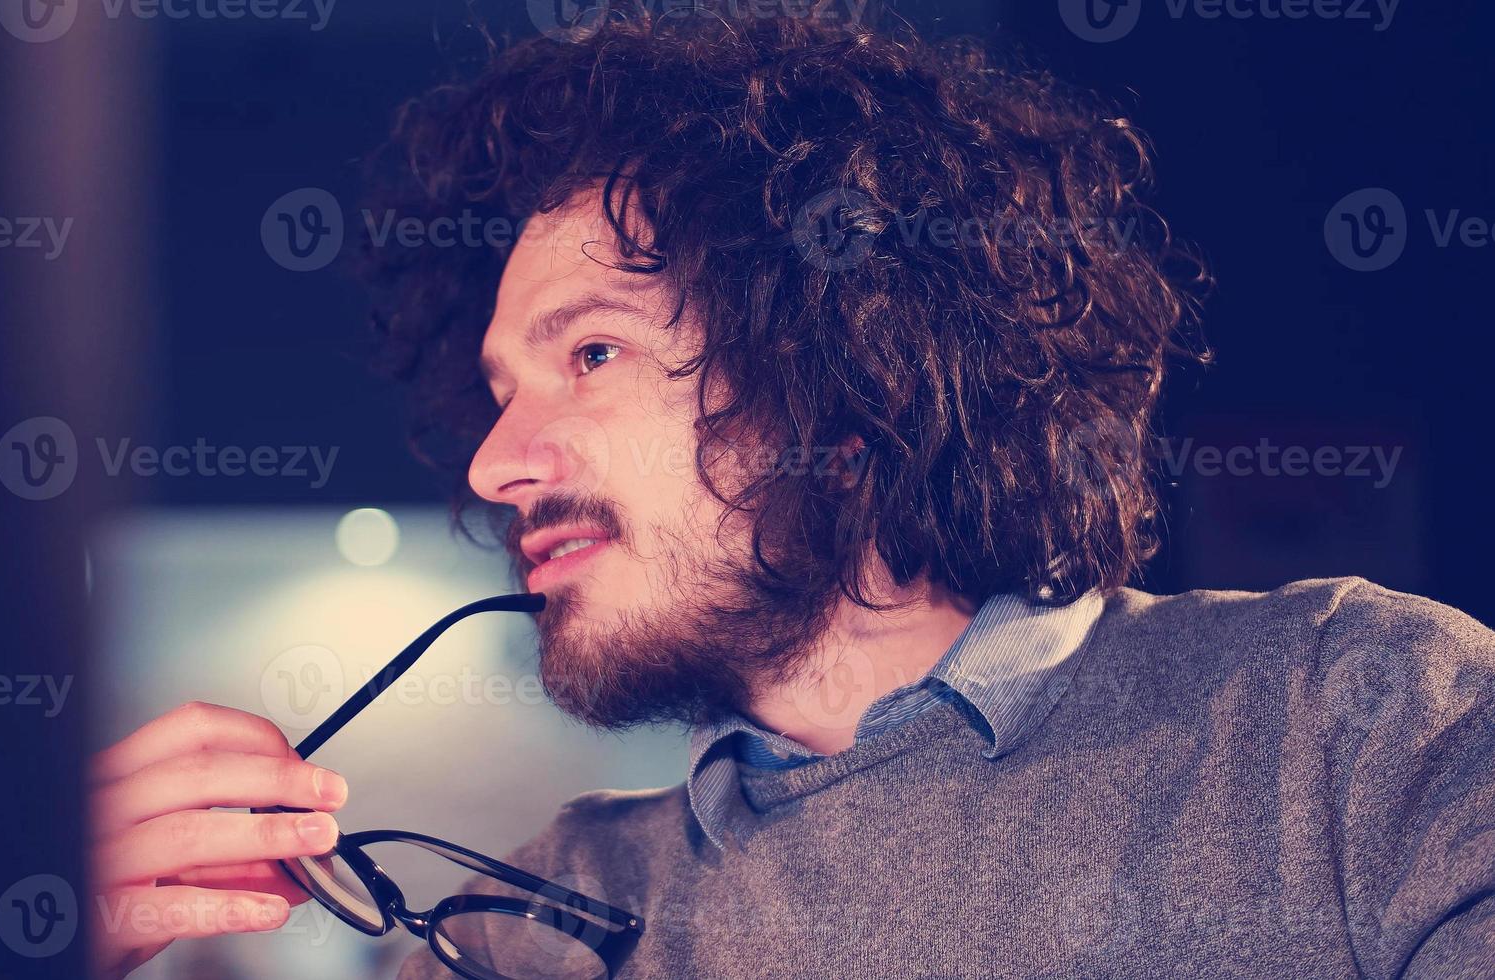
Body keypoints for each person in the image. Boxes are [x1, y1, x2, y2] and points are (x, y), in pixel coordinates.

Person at [90, 8, 1494, 977]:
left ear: (852, 355)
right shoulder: (524, 928)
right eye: (503, 390)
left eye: (592, 350)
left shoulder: (1360, 723)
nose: (493, 463)